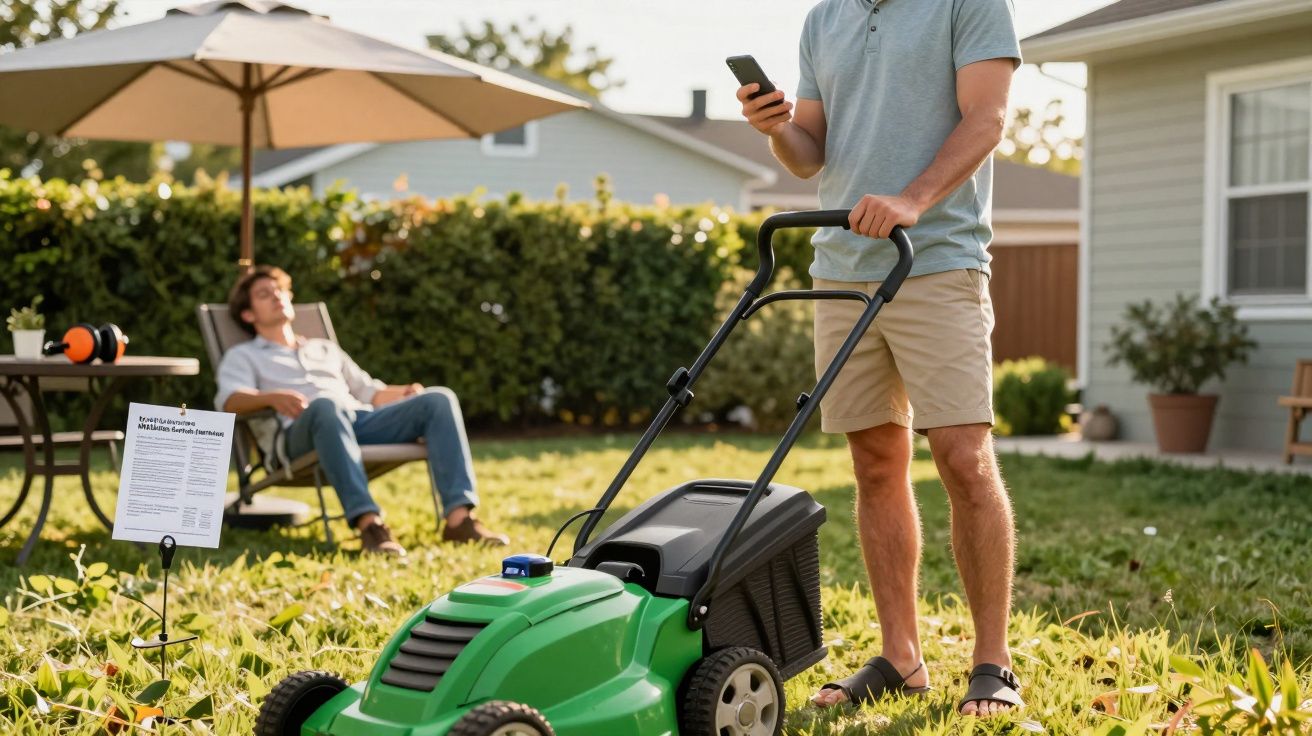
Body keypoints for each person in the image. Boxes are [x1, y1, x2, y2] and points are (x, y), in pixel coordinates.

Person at [736, 0, 1024, 717]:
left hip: (938, 260)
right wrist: (776, 128)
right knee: (873, 461)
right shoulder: (823, 18)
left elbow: (986, 118)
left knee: (962, 456)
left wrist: (913, 199)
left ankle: (993, 661)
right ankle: (902, 657)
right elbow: (810, 155)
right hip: (839, 263)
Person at [215, 266, 508, 556]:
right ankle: (370, 526)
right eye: (264, 294)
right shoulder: (242, 356)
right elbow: (229, 400)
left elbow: (370, 392)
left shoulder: (325, 349)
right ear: (248, 314)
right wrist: (271, 398)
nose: (276, 296)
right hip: (299, 433)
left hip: (358, 421)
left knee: (439, 399)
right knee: (326, 406)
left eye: (280, 290)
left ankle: (459, 521)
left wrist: (405, 393)